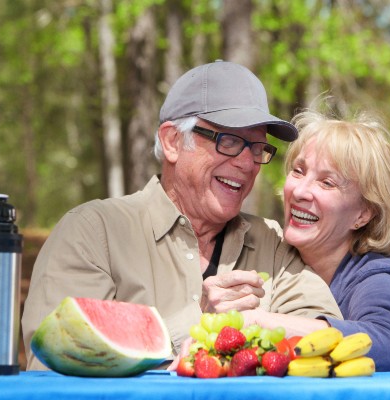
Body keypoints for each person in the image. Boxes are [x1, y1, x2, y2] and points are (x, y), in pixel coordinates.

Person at [21, 61, 342, 370]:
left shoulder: (272, 242)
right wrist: (199, 323)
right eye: (229, 141)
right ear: (173, 141)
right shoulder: (94, 233)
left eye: (258, 149)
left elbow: (332, 340)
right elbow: (57, 365)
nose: (247, 164)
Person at [240, 107, 390, 372]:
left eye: (327, 183)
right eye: (298, 171)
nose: (300, 191)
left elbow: (388, 343)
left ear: (364, 214)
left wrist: (261, 322)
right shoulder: (271, 255)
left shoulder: (379, 276)